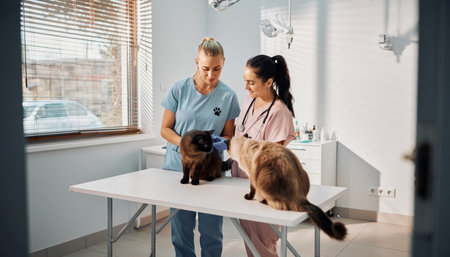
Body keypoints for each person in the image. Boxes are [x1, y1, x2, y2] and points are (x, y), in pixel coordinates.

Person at [160, 37, 240, 257]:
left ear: (224, 62)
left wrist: (218, 143)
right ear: (196, 62)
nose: (211, 75)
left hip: (209, 169)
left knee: (211, 231)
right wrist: (187, 146)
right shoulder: (179, 89)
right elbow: (165, 129)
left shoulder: (228, 96)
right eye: (205, 68)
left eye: (217, 69)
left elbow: (228, 135)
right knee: (181, 231)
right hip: (179, 166)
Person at [232, 54, 295, 257]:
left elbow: (271, 158)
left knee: (264, 242)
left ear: (269, 82)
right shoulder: (249, 102)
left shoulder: (279, 112)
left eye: (251, 82)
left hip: (263, 187)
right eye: (245, 81)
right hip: (242, 182)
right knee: (249, 237)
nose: (246, 87)